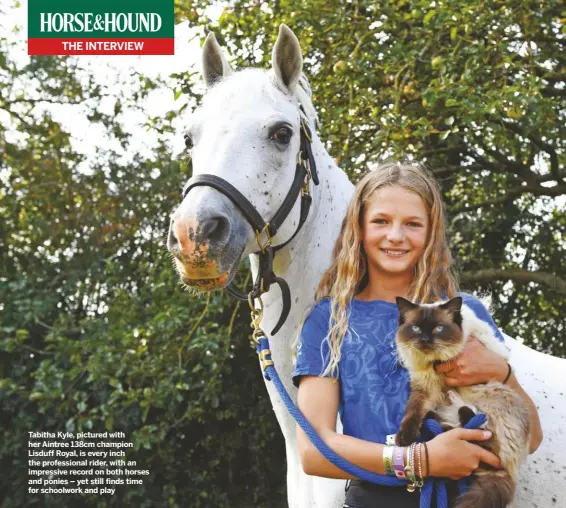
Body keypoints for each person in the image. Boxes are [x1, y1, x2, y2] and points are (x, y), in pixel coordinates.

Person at [292, 161, 543, 508]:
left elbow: (531, 440)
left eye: (412, 224)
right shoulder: (330, 319)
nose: (396, 235)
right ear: (359, 228)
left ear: (430, 233)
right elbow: (313, 451)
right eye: (381, 221)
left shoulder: (465, 315)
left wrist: (504, 374)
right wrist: (420, 460)